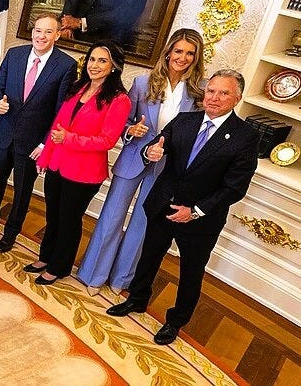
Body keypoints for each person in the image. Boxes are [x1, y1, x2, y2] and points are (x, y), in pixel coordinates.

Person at [106, 70, 257, 346]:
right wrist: (150, 151)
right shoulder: (186, 119)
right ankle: (137, 299)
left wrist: (195, 210)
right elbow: (159, 144)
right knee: (148, 258)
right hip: (163, 206)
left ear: (237, 98)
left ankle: (175, 322)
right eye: (211, 91)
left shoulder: (245, 136)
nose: (214, 98)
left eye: (223, 93)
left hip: (200, 220)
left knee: (190, 273)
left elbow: (235, 187)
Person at [79, 28, 205, 294]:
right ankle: (94, 275)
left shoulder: (200, 92)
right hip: (134, 158)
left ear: (196, 58)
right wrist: (131, 130)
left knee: (142, 223)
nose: (182, 58)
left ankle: (121, 280)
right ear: (168, 52)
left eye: (189, 53)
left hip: (167, 167)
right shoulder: (142, 82)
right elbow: (123, 122)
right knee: (112, 217)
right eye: (178, 51)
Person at [0, 14, 78, 251]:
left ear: (57, 35)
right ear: (32, 32)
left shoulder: (66, 65)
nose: (41, 36)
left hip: (33, 144)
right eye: (38, 30)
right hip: (3, 134)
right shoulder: (14, 54)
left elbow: (61, 112)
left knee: (22, 192)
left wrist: (44, 144)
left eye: (48, 32)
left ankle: (10, 233)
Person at [26, 43, 131, 286]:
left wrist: (69, 139)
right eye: (92, 59)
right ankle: (46, 257)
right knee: (53, 216)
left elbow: (107, 140)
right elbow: (58, 125)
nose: (95, 65)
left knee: (68, 220)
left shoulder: (119, 100)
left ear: (114, 66)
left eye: (102, 61)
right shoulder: (78, 87)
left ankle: (59, 267)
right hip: (57, 164)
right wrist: (45, 156)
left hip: (84, 172)